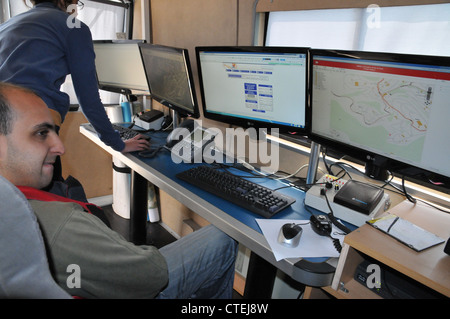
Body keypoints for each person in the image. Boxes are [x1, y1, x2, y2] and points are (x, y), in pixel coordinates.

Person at [0, 82, 238, 298]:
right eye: (41, 133)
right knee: (225, 237)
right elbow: (152, 277)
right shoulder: (57, 225)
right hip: (143, 284)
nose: (60, 146)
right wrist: (139, 254)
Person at [0, 0, 150, 182]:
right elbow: (88, 99)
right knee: (49, 199)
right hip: (32, 124)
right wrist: (118, 144)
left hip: (5, 123)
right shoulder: (74, 28)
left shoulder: (9, 24)